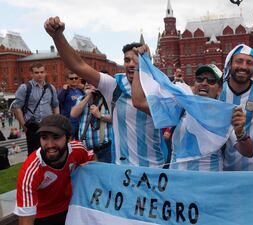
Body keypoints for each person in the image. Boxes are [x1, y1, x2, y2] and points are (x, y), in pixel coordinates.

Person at [44, 17, 167, 166]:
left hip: (156, 169)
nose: (131, 64)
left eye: (137, 60)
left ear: (147, 62)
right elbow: (78, 65)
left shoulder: (159, 89)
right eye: (127, 60)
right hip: (124, 172)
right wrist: (57, 36)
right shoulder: (115, 86)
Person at [132, 61, 253, 171]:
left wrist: (240, 133)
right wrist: (139, 66)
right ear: (195, 84)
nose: (204, 83)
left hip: (209, 187)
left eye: (211, 81)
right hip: (178, 186)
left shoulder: (224, 115)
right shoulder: (179, 107)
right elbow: (139, 102)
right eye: (200, 79)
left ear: (220, 89)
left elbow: (248, 152)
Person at [14, 114, 94, 225]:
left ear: (69, 138)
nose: (50, 145)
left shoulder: (78, 150)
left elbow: (93, 163)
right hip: (42, 216)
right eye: (44, 138)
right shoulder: (31, 169)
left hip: (72, 207)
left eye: (56, 137)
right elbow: (25, 220)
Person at [13, 63, 59, 155]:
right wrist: (24, 126)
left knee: (50, 152)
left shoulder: (51, 88)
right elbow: (17, 107)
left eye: (42, 72)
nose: (39, 74)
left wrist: (57, 122)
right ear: (31, 74)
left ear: (45, 73)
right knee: (35, 154)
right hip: (32, 127)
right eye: (36, 72)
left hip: (48, 125)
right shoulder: (25, 87)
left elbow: (55, 105)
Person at [70, 81, 113, 163]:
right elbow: (73, 114)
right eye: (86, 83)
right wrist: (88, 96)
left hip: (104, 149)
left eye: (90, 82)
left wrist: (100, 115)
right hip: (86, 149)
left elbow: (115, 119)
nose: (87, 84)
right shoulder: (81, 99)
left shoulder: (107, 100)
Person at [57, 71, 85, 139]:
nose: (74, 80)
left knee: (80, 143)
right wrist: (63, 90)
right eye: (71, 78)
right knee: (69, 143)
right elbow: (58, 101)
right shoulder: (65, 90)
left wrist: (84, 88)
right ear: (67, 80)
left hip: (80, 122)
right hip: (68, 123)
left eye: (76, 78)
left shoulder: (81, 90)